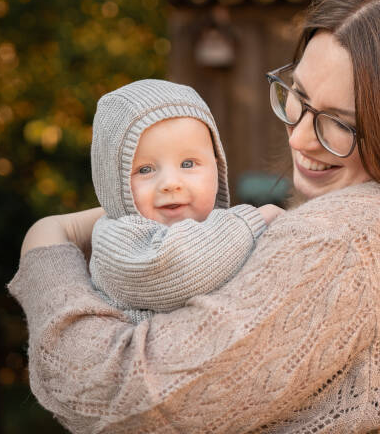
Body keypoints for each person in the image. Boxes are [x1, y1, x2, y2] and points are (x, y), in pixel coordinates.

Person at [10, 0, 380, 434]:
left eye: (338, 122)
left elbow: (123, 398)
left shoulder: (342, 242)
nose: (298, 136)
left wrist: (48, 249)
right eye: (300, 98)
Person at [87, 79, 283, 322]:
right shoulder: (116, 239)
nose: (171, 183)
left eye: (188, 164)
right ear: (112, 181)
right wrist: (254, 220)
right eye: (146, 169)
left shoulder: (217, 229)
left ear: (217, 167)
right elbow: (179, 266)